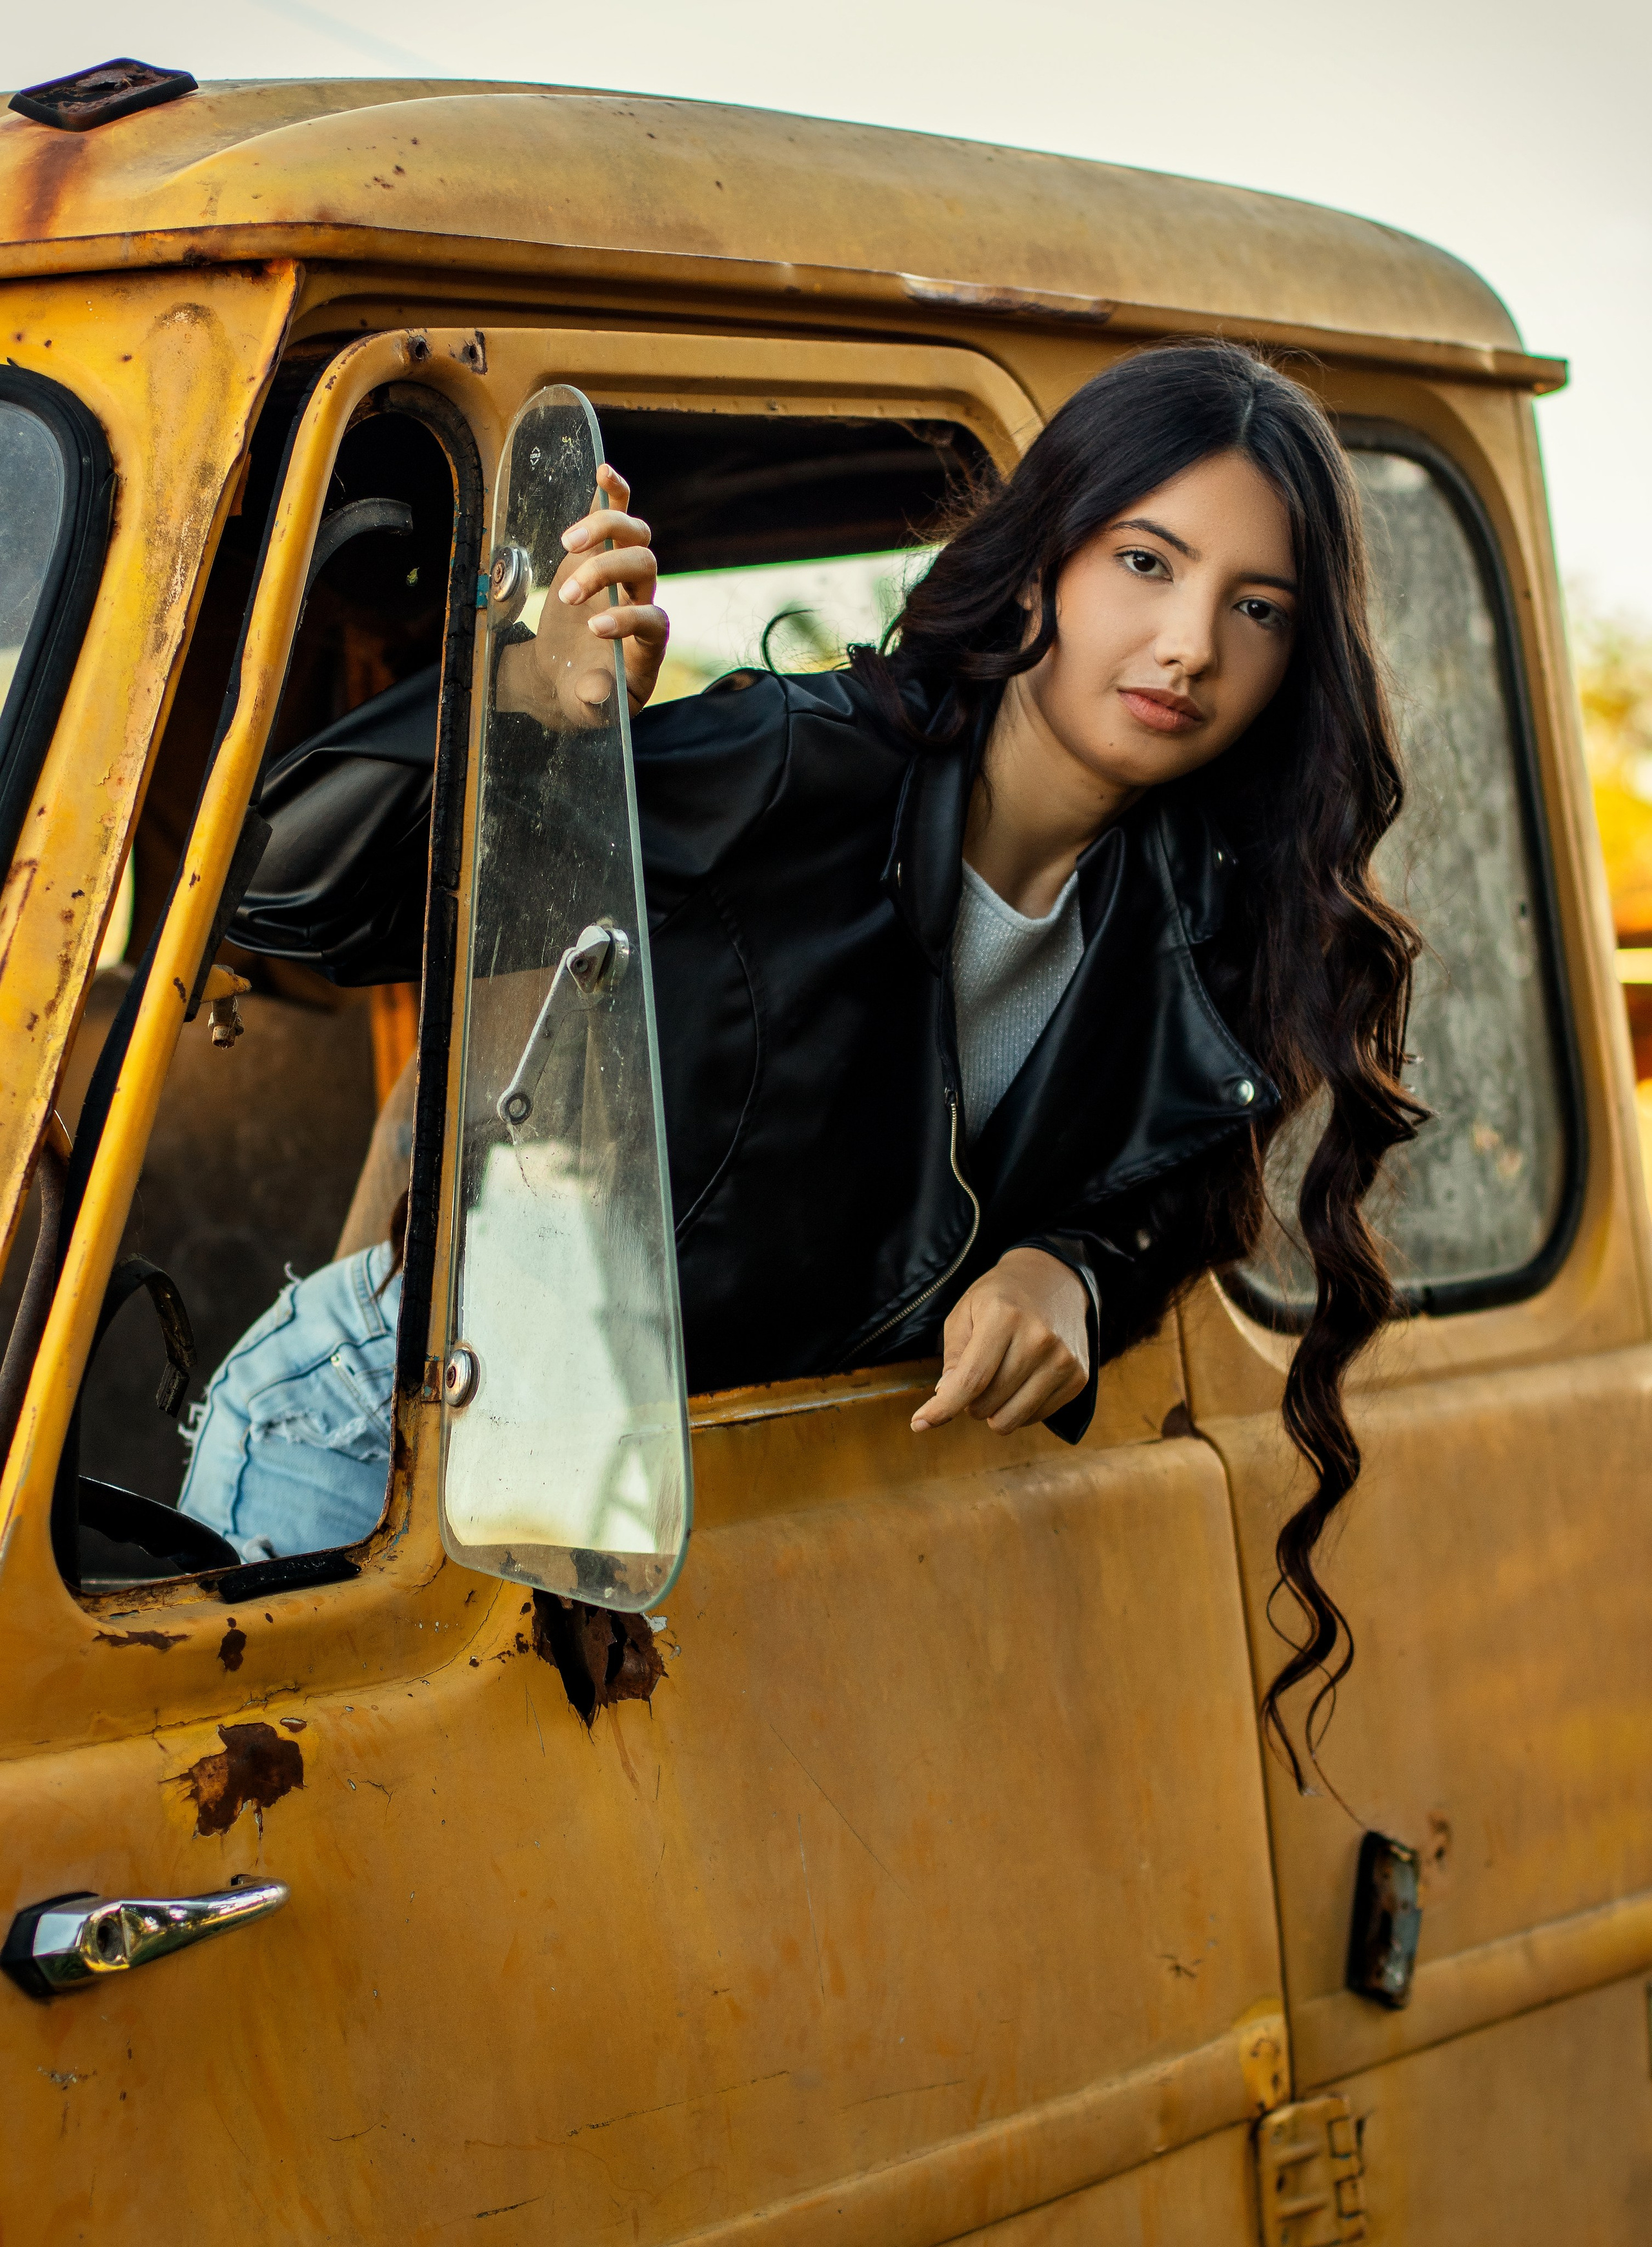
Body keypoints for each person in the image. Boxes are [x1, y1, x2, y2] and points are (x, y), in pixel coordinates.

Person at [183, 343, 1422, 1769]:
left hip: (646, 1503)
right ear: (1040, 560)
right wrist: (531, 695)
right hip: (378, 1445)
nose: (1190, 642)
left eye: (1253, 607)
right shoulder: (794, 767)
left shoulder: (1197, 925)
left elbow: (1180, 1185)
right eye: (1145, 564)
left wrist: (1072, 1270)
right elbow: (280, 896)